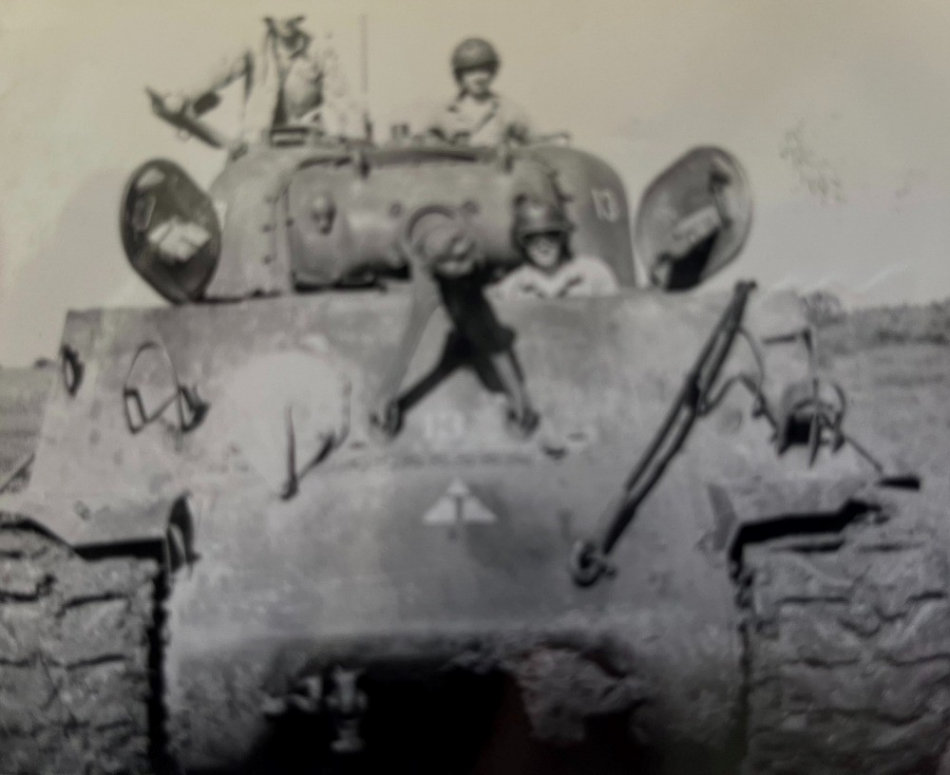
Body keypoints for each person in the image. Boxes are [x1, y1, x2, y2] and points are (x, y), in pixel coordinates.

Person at [371, 207, 539, 439]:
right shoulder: (429, 263)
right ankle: (382, 407)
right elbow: (415, 329)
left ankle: (521, 407)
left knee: (480, 322)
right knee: (417, 328)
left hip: (439, 255)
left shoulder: (464, 253)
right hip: (430, 259)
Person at [160, 16, 329, 156]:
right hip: (257, 144)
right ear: (270, 17)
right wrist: (184, 96)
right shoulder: (254, 46)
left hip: (307, 146)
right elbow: (221, 69)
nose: (286, 19)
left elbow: (339, 96)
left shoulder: (318, 50)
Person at [493, 198, 619, 300]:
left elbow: (615, 318)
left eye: (551, 234)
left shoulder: (594, 274)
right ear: (521, 243)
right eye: (531, 237)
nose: (543, 246)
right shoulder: (510, 289)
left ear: (563, 238)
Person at [426, 38, 533, 146]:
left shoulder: (508, 110)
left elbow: (535, 145)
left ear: (492, 72)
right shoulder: (444, 112)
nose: (478, 77)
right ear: (460, 75)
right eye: (471, 71)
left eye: (483, 70)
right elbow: (426, 148)